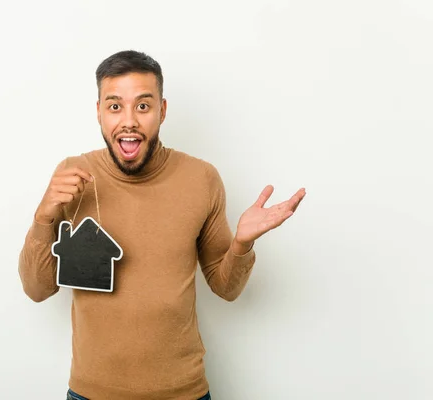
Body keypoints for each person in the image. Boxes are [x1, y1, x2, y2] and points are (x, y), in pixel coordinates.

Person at [18, 50, 306, 400]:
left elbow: (226, 288)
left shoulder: (202, 179)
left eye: (142, 106)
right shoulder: (73, 174)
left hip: (184, 393)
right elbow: (37, 290)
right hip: (91, 393)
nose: (129, 121)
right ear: (98, 112)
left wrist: (242, 245)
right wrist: (43, 217)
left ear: (162, 110)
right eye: (114, 106)